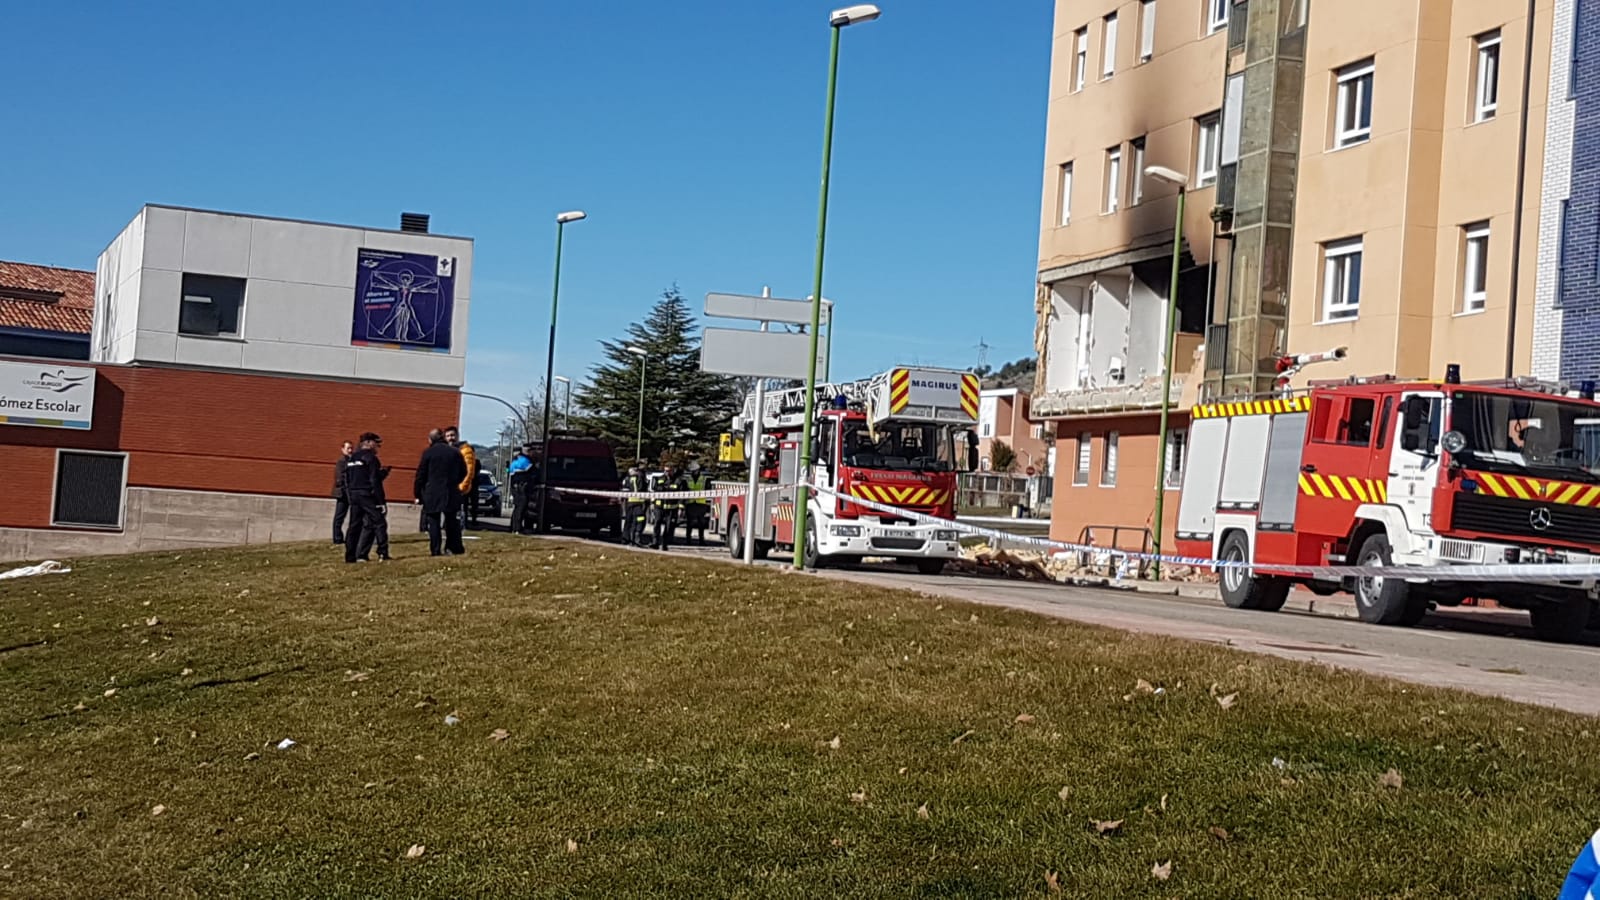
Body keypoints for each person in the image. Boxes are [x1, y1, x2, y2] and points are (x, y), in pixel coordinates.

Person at [415, 428, 469, 556]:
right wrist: (456, 482)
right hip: (451, 490)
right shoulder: (455, 452)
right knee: (451, 521)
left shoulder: (428, 453)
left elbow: (420, 475)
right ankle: (451, 547)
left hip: (432, 491)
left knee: (433, 521)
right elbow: (464, 471)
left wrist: (418, 493)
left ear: (430, 440)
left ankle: (435, 549)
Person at [343, 433, 391, 564]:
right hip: (367, 495)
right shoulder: (371, 458)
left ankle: (350, 555)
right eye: (376, 443)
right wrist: (381, 501)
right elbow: (374, 480)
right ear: (368, 442)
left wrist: (350, 495)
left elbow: (348, 478)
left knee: (354, 525)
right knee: (379, 522)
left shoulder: (352, 459)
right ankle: (383, 552)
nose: (377, 447)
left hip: (354, 495)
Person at [444, 426, 477, 530]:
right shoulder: (446, 450)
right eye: (448, 436)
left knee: (459, 514)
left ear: (457, 436)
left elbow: (469, 470)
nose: (450, 438)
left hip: (460, 487)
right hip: (448, 487)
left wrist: (463, 486)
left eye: (452, 435)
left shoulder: (465, 450)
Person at [652, 464, 688, 551]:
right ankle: (655, 543)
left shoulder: (678, 481)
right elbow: (654, 491)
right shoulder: (659, 479)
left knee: (669, 527)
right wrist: (652, 503)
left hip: (671, 508)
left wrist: (680, 508)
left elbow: (682, 496)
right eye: (665, 471)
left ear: (673, 470)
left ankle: (664, 544)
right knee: (657, 524)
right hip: (659, 506)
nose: (667, 473)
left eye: (669, 471)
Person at [507, 445, 535, 535]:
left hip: (515, 488)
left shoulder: (514, 462)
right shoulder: (525, 461)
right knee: (521, 508)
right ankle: (518, 528)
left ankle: (513, 527)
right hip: (522, 488)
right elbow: (533, 473)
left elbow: (510, 475)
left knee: (517, 508)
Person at [684, 461, 711, 546]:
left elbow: (707, 490)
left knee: (701, 524)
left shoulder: (703, 479)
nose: (694, 472)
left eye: (695, 470)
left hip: (700, 504)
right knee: (689, 523)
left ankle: (701, 540)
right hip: (690, 503)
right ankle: (688, 540)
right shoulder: (688, 479)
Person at [331, 440, 353, 545]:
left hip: (349, 492)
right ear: (343, 449)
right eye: (348, 448)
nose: (350, 450)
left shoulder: (351, 460)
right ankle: (337, 538)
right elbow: (340, 478)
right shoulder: (342, 461)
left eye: (351, 448)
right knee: (339, 516)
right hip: (342, 493)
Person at [621, 465, 649, 546]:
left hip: (629, 503)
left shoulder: (627, 479)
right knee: (639, 521)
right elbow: (642, 489)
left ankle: (626, 539)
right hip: (639, 503)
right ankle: (636, 539)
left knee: (628, 521)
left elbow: (624, 489)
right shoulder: (640, 478)